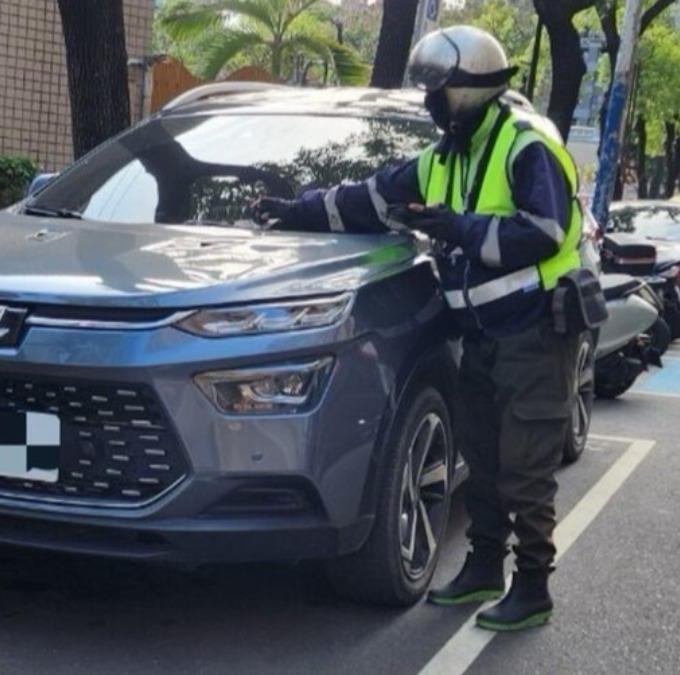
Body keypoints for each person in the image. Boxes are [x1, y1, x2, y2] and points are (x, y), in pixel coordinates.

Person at [253, 26, 602, 631]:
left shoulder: (527, 146)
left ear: (468, 92)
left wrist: (458, 228)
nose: (429, 105)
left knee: (525, 467)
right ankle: (484, 568)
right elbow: (368, 197)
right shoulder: (444, 157)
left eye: (437, 93)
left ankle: (534, 588)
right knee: (485, 459)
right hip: (484, 334)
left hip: (535, 332)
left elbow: (545, 232)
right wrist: (296, 209)